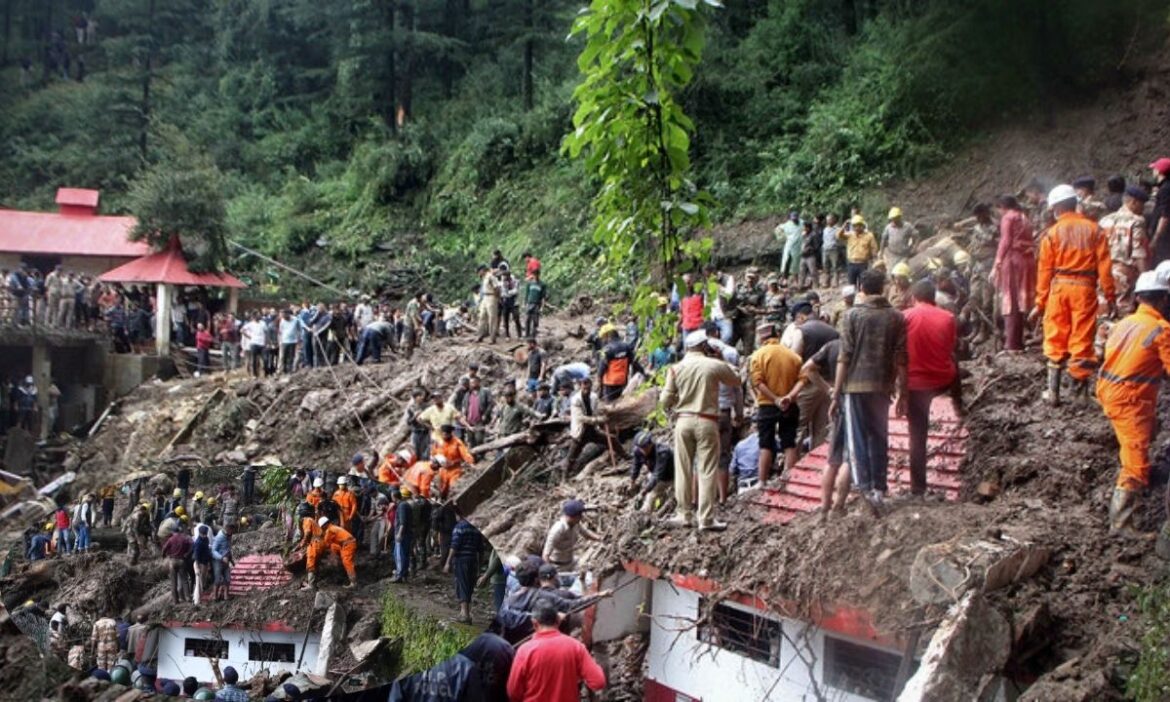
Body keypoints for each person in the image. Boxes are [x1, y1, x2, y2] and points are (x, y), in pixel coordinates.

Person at [1095, 272, 1170, 543]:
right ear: (1163, 299)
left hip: (1109, 391)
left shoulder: (1126, 322)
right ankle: (1122, 523)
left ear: (1138, 297)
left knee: (1148, 433)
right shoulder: (1161, 330)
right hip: (1130, 399)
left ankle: (1141, 479)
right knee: (1135, 460)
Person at [1030, 184, 1116, 405]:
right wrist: (1110, 295)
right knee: (1082, 338)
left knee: (1056, 336)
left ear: (1056, 207)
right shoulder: (1095, 230)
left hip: (1059, 288)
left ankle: (1053, 392)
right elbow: (1105, 267)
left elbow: (1044, 271)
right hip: (1085, 289)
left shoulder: (1051, 233)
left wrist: (1040, 302)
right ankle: (1079, 394)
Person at [831, 269, 908, 510]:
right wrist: (902, 391)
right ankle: (879, 488)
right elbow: (901, 358)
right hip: (882, 386)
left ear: (860, 288)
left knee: (857, 440)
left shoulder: (852, 315)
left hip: (855, 386)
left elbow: (844, 357)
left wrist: (836, 393)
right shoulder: (896, 317)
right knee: (879, 436)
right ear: (884, 287)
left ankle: (864, 489)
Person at [660, 330, 742, 530]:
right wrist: (721, 358)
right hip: (707, 420)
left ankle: (683, 514)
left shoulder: (675, 368)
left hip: (683, 421)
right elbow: (737, 379)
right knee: (706, 469)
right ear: (705, 346)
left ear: (687, 348)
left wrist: (673, 406)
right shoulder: (713, 365)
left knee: (684, 468)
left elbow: (664, 401)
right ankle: (705, 518)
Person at [903, 280, 960, 497]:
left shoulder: (904, 317)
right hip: (941, 380)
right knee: (954, 363)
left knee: (917, 435)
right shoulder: (948, 318)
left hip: (914, 385)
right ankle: (959, 404)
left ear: (914, 298)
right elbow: (950, 347)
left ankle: (918, 488)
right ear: (933, 298)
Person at [506, 601, 606, 702]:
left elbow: (513, 692)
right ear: (558, 620)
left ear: (534, 623)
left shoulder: (524, 651)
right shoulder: (576, 647)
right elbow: (598, 682)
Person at [750, 322, 806, 485]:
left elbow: (758, 382)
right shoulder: (793, 356)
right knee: (789, 441)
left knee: (765, 443)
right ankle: (789, 480)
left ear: (762, 338)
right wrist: (789, 396)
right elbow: (803, 379)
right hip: (790, 404)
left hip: (767, 404)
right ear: (777, 335)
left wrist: (775, 399)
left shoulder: (758, 355)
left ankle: (762, 481)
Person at [991, 195, 1036, 352]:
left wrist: (997, 262)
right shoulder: (1025, 218)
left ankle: (1011, 343)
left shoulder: (1008, 218)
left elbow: (1005, 241)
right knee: (1019, 301)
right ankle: (1018, 341)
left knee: (1010, 301)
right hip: (1027, 261)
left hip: (1013, 261)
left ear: (1002, 207)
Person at [1100, 186, 1151, 314]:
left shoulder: (1104, 220)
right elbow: (1138, 253)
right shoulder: (1137, 221)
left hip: (1103, 272)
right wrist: (1146, 278)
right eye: (1142, 205)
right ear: (1133, 202)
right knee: (1124, 311)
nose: (1143, 209)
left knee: (1104, 310)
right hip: (1124, 275)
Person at [562, 377, 611, 479]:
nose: (586, 388)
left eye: (588, 386)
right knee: (571, 457)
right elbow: (580, 418)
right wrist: (598, 420)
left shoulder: (594, 397)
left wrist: (603, 411)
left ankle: (626, 456)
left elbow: (597, 408)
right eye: (584, 386)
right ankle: (564, 478)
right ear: (581, 386)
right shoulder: (575, 400)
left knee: (612, 440)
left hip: (592, 430)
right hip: (580, 432)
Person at [445, 514, 483, 623]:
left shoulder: (459, 527)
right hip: (473, 560)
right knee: (469, 586)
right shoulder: (476, 528)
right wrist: (480, 566)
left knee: (462, 585)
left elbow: (454, 546)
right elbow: (481, 549)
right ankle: (463, 612)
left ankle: (465, 614)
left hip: (462, 560)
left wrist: (448, 562)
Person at [542, 499, 600, 568]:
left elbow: (586, 534)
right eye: (579, 515)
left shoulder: (575, 524)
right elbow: (545, 555)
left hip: (571, 561)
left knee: (587, 568)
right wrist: (551, 571)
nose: (581, 517)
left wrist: (600, 538)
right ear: (572, 517)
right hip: (557, 565)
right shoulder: (558, 529)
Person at [597, 325, 644, 401]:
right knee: (620, 401)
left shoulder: (606, 350)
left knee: (610, 405)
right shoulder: (626, 346)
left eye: (603, 337)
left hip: (610, 384)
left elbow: (601, 370)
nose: (603, 340)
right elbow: (635, 363)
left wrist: (600, 388)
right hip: (622, 381)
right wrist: (643, 372)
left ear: (608, 335)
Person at [631, 430, 674, 512]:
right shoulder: (638, 451)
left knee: (678, 496)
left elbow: (657, 475)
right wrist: (633, 480)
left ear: (651, 444)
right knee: (650, 499)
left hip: (673, 476)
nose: (643, 451)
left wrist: (644, 491)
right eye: (641, 448)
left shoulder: (662, 452)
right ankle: (644, 514)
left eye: (645, 447)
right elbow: (636, 465)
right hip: (656, 476)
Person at [312, 516, 358, 588]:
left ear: (324, 525)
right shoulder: (333, 527)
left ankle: (353, 582)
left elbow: (325, 543)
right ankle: (339, 566)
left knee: (347, 562)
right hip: (345, 543)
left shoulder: (330, 531)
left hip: (348, 544)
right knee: (333, 547)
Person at [731, 267, 767, 355]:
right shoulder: (738, 288)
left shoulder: (760, 292)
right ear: (745, 277)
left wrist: (755, 310)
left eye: (753, 278)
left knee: (748, 350)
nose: (750, 280)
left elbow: (764, 309)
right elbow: (729, 303)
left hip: (749, 322)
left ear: (757, 279)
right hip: (736, 320)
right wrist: (739, 308)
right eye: (748, 277)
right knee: (729, 345)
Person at [842, 215, 879, 286]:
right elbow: (839, 235)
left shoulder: (869, 236)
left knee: (863, 284)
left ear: (862, 225)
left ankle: (862, 296)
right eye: (855, 226)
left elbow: (874, 248)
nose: (856, 227)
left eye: (858, 225)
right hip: (851, 263)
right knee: (851, 285)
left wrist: (874, 260)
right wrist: (844, 226)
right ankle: (853, 296)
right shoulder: (850, 235)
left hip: (863, 264)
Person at [162, 524, 194, 603]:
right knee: (185, 580)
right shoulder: (184, 538)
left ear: (173, 532)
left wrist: (163, 556)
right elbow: (192, 545)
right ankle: (188, 598)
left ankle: (175, 601)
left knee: (173, 582)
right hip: (182, 560)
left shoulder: (170, 539)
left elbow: (164, 548)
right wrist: (187, 553)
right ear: (179, 531)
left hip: (172, 561)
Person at [461, 377, 493, 449]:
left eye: (474, 382)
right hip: (469, 420)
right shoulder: (468, 394)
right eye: (471, 383)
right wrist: (464, 414)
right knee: (471, 440)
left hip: (479, 420)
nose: (472, 384)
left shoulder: (485, 391)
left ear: (478, 382)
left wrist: (486, 414)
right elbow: (464, 405)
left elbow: (490, 404)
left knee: (479, 439)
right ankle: (474, 457)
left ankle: (481, 455)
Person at [391, 487, 413, 582]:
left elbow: (403, 522)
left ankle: (400, 576)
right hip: (406, 534)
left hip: (403, 535)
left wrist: (399, 534)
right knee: (403, 554)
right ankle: (403, 575)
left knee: (400, 555)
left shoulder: (402, 506)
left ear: (394, 497)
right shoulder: (404, 505)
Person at [1150, 157, 1170, 264]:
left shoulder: (1166, 189)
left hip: (1165, 237)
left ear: (1159, 171)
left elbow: (1165, 215)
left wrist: (1156, 237)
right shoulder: (1164, 187)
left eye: (1154, 169)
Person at [475, 265, 502, 343]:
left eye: (479, 271)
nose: (478, 273)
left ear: (483, 270)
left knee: (492, 318)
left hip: (491, 296)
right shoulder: (484, 278)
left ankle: (492, 338)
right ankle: (480, 335)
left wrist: (497, 298)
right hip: (485, 297)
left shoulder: (491, 277)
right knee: (482, 316)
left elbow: (497, 288)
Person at [210, 523, 237, 601]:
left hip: (226, 560)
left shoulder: (229, 537)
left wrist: (231, 560)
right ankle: (215, 596)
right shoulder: (219, 537)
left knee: (227, 578)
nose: (233, 532)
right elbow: (213, 551)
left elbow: (228, 549)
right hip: (218, 561)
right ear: (228, 529)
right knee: (218, 579)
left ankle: (226, 596)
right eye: (232, 531)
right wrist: (221, 558)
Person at [777, 211, 803, 283]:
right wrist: (781, 237)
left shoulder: (802, 222)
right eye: (793, 218)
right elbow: (778, 229)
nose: (794, 219)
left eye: (796, 218)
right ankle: (783, 279)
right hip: (789, 245)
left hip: (799, 246)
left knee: (796, 263)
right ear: (790, 218)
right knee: (786, 261)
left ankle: (796, 280)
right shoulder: (787, 225)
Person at [241, 312, 267, 378]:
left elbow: (266, 332)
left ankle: (265, 373)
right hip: (254, 343)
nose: (259, 316)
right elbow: (242, 330)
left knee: (265, 359)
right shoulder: (250, 324)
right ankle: (255, 375)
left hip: (262, 344)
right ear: (254, 317)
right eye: (258, 315)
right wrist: (249, 336)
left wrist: (266, 341)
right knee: (254, 360)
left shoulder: (263, 323)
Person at [524, 269, 548, 339]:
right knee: (527, 320)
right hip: (529, 303)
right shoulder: (529, 283)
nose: (535, 276)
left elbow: (543, 297)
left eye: (536, 275)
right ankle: (526, 335)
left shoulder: (542, 284)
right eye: (534, 275)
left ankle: (533, 336)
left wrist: (542, 307)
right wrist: (525, 303)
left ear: (539, 275)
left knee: (535, 321)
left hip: (537, 304)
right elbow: (527, 294)